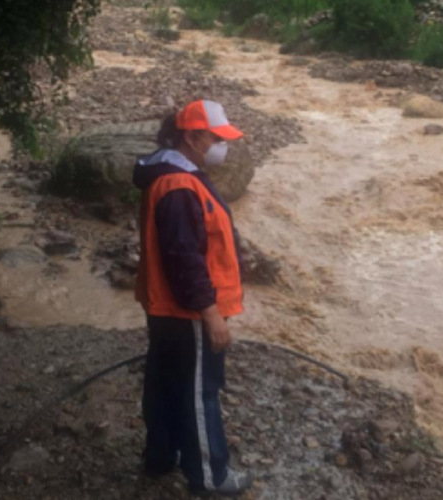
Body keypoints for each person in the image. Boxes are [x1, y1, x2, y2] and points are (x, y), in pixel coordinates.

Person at [133, 99, 253, 496]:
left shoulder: (169, 174)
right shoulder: (181, 185)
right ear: (191, 136)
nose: (222, 145)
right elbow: (186, 259)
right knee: (200, 393)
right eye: (215, 137)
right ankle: (210, 477)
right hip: (187, 312)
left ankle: (161, 456)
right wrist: (211, 314)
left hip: (166, 307)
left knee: (166, 382)